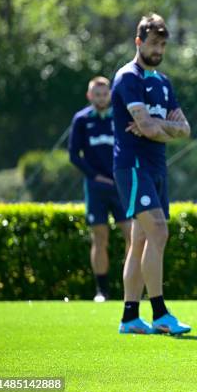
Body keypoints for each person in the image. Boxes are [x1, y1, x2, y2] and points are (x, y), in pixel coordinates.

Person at [111, 13, 192, 335]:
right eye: (152, 43)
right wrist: (159, 127)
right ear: (138, 42)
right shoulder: (128, 77)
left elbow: (184, 129)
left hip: (157, 166)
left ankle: (130, 317)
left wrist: (159, 128)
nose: (158, 50)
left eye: (162, 44)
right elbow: (144, 126)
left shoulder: (163, 82)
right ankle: (159, 313)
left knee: (141, 239)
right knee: (158, 231)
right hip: (132, 167)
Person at [68, 76, 131, 303]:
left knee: (131, 235)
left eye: (105, 94)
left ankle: (130, 289)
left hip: (121, 186)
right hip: (95, 188)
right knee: (99, 237)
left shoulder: (121, 117)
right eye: (97, 94)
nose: (101, 97)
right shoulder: (81, 120)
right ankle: (102, 291)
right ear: (89, 96)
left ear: (110, 95)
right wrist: (95, 177)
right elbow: (74, 155)